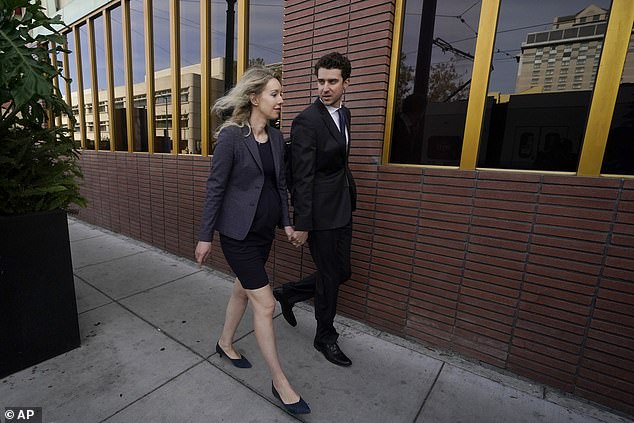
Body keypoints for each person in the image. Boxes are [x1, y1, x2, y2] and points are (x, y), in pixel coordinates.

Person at [195, 66, 310, 415]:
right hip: (236, 235)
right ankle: (280, 381)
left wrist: (287, 224)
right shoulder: (231, 137)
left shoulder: (275, 139)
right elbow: (216, 188)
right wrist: (205, 236)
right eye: (275, 93)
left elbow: (280, 186)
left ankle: (225, 342)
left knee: (241, 289)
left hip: (262, 234)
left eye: (280, 93)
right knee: (265, 303)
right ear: (254, 97)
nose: (281, 99)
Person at [273, 52, 357, 367]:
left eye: (332, 81)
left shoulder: (345, 114)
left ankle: (289, 293)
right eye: (320, 81)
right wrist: (302, 223)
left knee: (341, 272)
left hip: (343, 206)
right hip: (320, 213)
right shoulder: (307, 121)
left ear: (346, 83)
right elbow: (303, 177)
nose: (324, 88)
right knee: (330, 275)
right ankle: (325, 337)